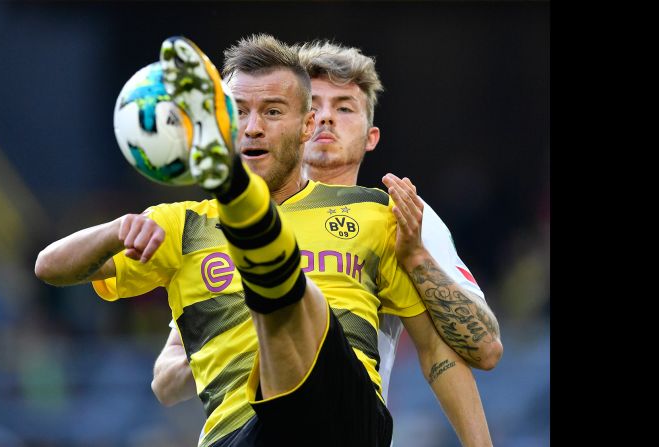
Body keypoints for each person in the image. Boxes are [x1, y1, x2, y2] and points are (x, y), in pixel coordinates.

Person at [36, 35, 492, 446]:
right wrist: (115, 231)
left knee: (302, 301)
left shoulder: (378, 215)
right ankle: (250, 220)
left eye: (272, 111)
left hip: (345, 422)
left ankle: (244, 211)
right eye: (238, 112)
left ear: (306, 125)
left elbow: (441, 354)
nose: (253, 127)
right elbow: (49, 267)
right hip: (238, 435)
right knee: (289, 303)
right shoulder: (181, 225)